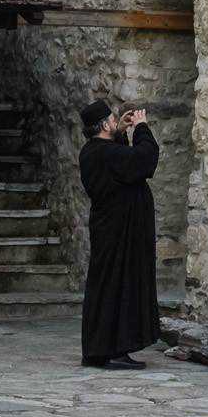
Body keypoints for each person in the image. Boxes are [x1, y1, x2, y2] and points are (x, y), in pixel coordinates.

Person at [77, 99, 159, 369]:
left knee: (105, 286)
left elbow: (120, 165)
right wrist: (142, 129)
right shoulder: (105, 153)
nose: (115, 122)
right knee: (120, 286)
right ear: (103, 125)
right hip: (119, 230)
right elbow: (145, 160)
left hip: (111, 228)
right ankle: (115, 349)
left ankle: (97, 349)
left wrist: (121, 133)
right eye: (112, 121)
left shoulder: (93, 151)